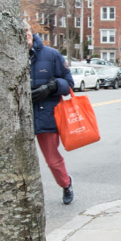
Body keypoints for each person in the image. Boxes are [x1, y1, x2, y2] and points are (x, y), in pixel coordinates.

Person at [26, 21, 75, 204]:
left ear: (31, 32)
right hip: (20, 118)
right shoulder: (9, 57)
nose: (26, 35)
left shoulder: (52, 55)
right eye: (21, 32)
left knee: (52, 160)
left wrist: (51, 86)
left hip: (46, 116)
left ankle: (66, 184)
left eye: (27, 31)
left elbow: (69, 84)